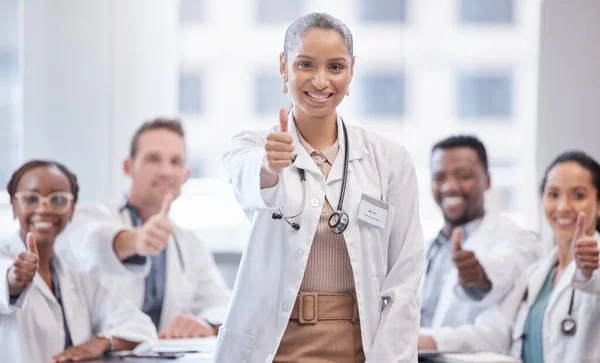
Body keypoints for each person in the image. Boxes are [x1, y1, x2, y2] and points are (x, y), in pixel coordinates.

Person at [214, 12, 425, 363]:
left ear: (352, 70)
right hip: (275, 343)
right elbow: (250, 181)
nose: (321, 80)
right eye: (306, 64)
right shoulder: (253, 146)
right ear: (284, 68)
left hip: (357, 344)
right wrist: (270, 167)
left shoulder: (389, 160)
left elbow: (406, 276)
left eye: (336, 67)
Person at [55, 118, 230, 338]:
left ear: (185, 175)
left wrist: (205, 324)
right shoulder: (90, 216)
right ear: (128, 167)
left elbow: (220, 303)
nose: (166, 171)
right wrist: (134, 241)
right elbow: (88, 241)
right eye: (153, 159)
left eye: (176, 161)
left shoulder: (190, 244)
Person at [419, 151, 600, 363]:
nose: (563, 207)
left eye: (578, 195)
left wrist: (589, 271)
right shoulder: (535, 276)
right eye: (553, 194)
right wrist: (425, 340)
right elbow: (494, 331)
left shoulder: (595, 267)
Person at [0, 160, 156, 363]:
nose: (44, 208)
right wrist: (14, 279)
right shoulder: (5, 259)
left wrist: (101, 342)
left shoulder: (75, 278)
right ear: (14, 207)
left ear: (72, 210)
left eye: (57, 200)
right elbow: (5, 280)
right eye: (31, 199)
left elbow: (140, 326)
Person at [421, 135, 541, 328]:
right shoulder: (428, 247)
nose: (449, 187)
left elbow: (500, 269)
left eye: (463, 176)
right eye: (439, 177)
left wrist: (478, 276)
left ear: (486, 180)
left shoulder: (517, 240)